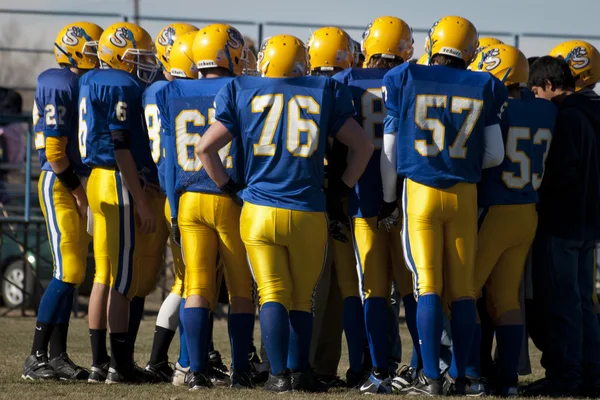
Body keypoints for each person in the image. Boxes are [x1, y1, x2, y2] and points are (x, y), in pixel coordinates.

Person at [197, 34, 374, 393]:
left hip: (259, 209)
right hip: (308, 210)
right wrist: (340, 188)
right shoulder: (325, 89)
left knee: (272, 293)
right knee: (302, 297)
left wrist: (230, 188)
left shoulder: (240, 88)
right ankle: (301, 372)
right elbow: (363, 146)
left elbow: (204, 148)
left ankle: (278, 375)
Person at [379, 16, 507, 395]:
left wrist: (389, 199)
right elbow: (495, 154)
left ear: (433, 43)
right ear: (471, 50)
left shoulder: (404, 76)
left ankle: (431, 378)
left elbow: (389, 149)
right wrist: (461, 164)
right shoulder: (485, 83)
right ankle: (463, 376)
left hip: (420, 190)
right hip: (465, 194)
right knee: (464, 290)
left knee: (428, 286)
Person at [155, 23, 256, 390]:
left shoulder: (172, 89)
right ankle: (241, 370)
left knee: (197, 286)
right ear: (227, 54)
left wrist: (174, 206)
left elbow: (168, 159)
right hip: (228, 196)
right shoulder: (239, 87)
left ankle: (194, 370)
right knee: (241, 287)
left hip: (188, 196)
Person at [332, 16, 416, 394]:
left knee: (373, 290)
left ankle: (376, 369)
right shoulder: (414, 78)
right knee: (414, 287)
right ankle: (423, 366)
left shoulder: (345, 81)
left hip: (363, 198)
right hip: (407, 200)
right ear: (406, 48)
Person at [467, 44, 556, 396]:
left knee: (464, 293)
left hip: (495, 210)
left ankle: (471, 373)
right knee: (504, 298)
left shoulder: (493, 106)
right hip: (527, 210)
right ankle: (506, 379)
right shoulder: (546, 112)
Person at [22, 21, 103, 382]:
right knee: (68, 269)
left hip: (75, 181)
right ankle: (35, 357)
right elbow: (55, 153)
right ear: (72, 50)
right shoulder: (58, 82)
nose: (96, 56)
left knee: (74, 272)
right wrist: (80, 194)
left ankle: (57, 356)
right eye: (91, 49)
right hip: (61, 181)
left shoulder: (81, 82)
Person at [79, 21, 159, 384]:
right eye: (137, 58)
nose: (143, 65)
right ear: (118, 56)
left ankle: (99, 363)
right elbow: (121, 146)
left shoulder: (90, 79)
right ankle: (120, 365)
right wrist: (142, 202)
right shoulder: (122, 84)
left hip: (96, 178)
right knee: (123, 283)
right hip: (117, 180)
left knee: (103, 276)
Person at [523, 55, 600, 397]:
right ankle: (591, 374)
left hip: (563, 223)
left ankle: (567, 377)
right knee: (584, 303)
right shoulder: (592, 110)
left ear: (551, 86)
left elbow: (560, 174)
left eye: (538, 90)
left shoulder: (567, 116)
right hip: (588, 224)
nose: (537, 98)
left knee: (564, 304)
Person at [142, 23, 198, 385]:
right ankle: (167, 359)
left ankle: (188, 356)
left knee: (189, 281)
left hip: (165, 188)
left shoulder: (153, 91)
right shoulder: (179, 92)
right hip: (182, 190)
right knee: (188, 283)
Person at [306, 26, 361, 388]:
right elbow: (356, 145)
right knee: (339, 289)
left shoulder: (296, 87)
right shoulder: (343, 88)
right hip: (338, 198)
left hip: (300, 197)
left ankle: (289, 362)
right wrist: (342, 190)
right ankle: (322, 366)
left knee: (299, 289)